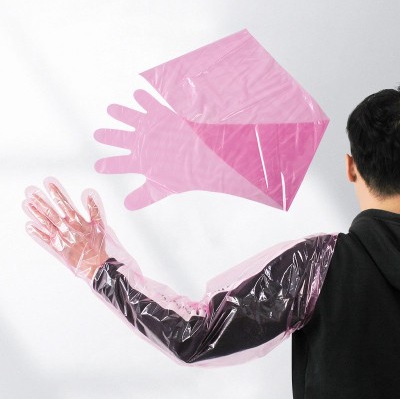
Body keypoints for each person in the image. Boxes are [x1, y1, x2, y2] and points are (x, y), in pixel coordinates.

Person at [24, 85, 400, 399]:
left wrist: (100, 269)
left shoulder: (320, 266)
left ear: (351, 167)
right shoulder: (320, 265)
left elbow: (195, 337)